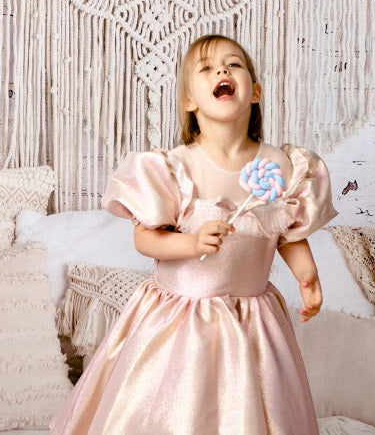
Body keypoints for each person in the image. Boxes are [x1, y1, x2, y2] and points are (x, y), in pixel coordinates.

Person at [49, 33, 337, 435]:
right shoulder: (173, 167)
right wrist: (191, 242)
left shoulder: (280, 165)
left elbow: (287, 233)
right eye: (207, 68)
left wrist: (308, 278)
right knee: (175, 409)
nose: (222, 70)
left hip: (251, 316)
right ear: (189, 101)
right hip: (179, 319)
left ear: (254, 92)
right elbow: (145, 239)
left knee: (251, 406)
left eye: (234, 64)